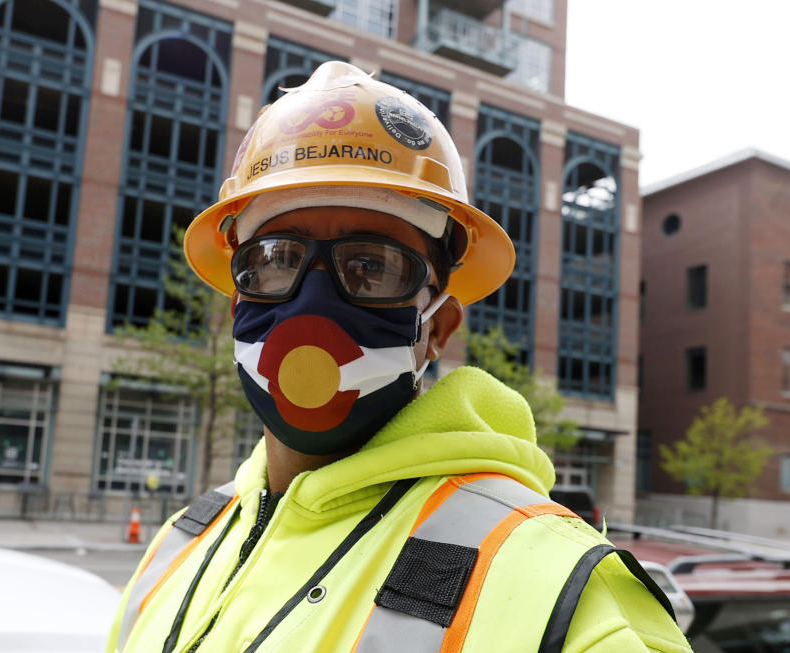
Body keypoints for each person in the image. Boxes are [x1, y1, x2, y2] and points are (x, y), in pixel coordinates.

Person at [106, 62, 693, 653]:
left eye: (371, 266)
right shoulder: (181, 547)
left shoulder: (572, 601)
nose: (312, 302)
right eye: (276, 258)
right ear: (237, 301)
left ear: (438, 326)